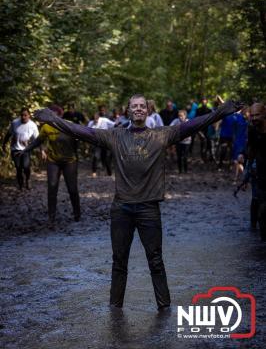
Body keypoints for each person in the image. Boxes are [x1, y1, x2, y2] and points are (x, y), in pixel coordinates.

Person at [34, 95, 242, 310]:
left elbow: (193, 125)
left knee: (156, 261)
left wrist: (220, 112)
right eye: (135, 106)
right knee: (119, 261)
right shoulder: (114, 136)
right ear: (128, 111)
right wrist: (51, 119)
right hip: (121, 208)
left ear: (148, 110)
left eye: (142, 106)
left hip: (149, 208)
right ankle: (115, 310)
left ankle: (164, 309)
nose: (139, 109)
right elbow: (81, 131)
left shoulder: (162, 135)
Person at [21, 105, 81, 225]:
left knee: (72, 189)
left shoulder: (68, 124)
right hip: (53, 161)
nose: (51, 117)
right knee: (52, 188)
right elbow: (38, 141)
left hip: (69, 161)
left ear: (59, 115)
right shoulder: (46, 127)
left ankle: (77, 214)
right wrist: (25, 150)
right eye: (50, 115)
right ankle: (51, 217)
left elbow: (79, 138)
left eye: (54, 115)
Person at [2, 107, 39, 190]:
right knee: (18, 168)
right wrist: (4, 144)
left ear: (29, 115)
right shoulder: (15, 123)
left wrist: (42, 150)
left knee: (26, 166)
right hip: (15, 149)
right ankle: (20, 184)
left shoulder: (32, 125)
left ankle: (28, 179)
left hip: (26, 149)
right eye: (22, 115)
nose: (23, 117)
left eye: (25, 115)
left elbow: (37, 139)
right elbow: (8, 134)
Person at [248, 103, 266, 241]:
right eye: (252, 115)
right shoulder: (252, 130)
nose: (254, 118)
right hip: (260, 174)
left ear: (264, 113)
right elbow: (252, 150)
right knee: (262, 210)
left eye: (257, 115)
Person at [88, 112, 115, 177]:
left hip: (106, 141)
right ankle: (94, 172)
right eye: (94, 119)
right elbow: (87, 131)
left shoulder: (104, 120)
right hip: (97, 143)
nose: (95, 120)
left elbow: (114, 124)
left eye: (96, 118)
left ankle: (109, 173)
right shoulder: (91, 123)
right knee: (96, 156)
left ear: (98, 117)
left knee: (106, 158)